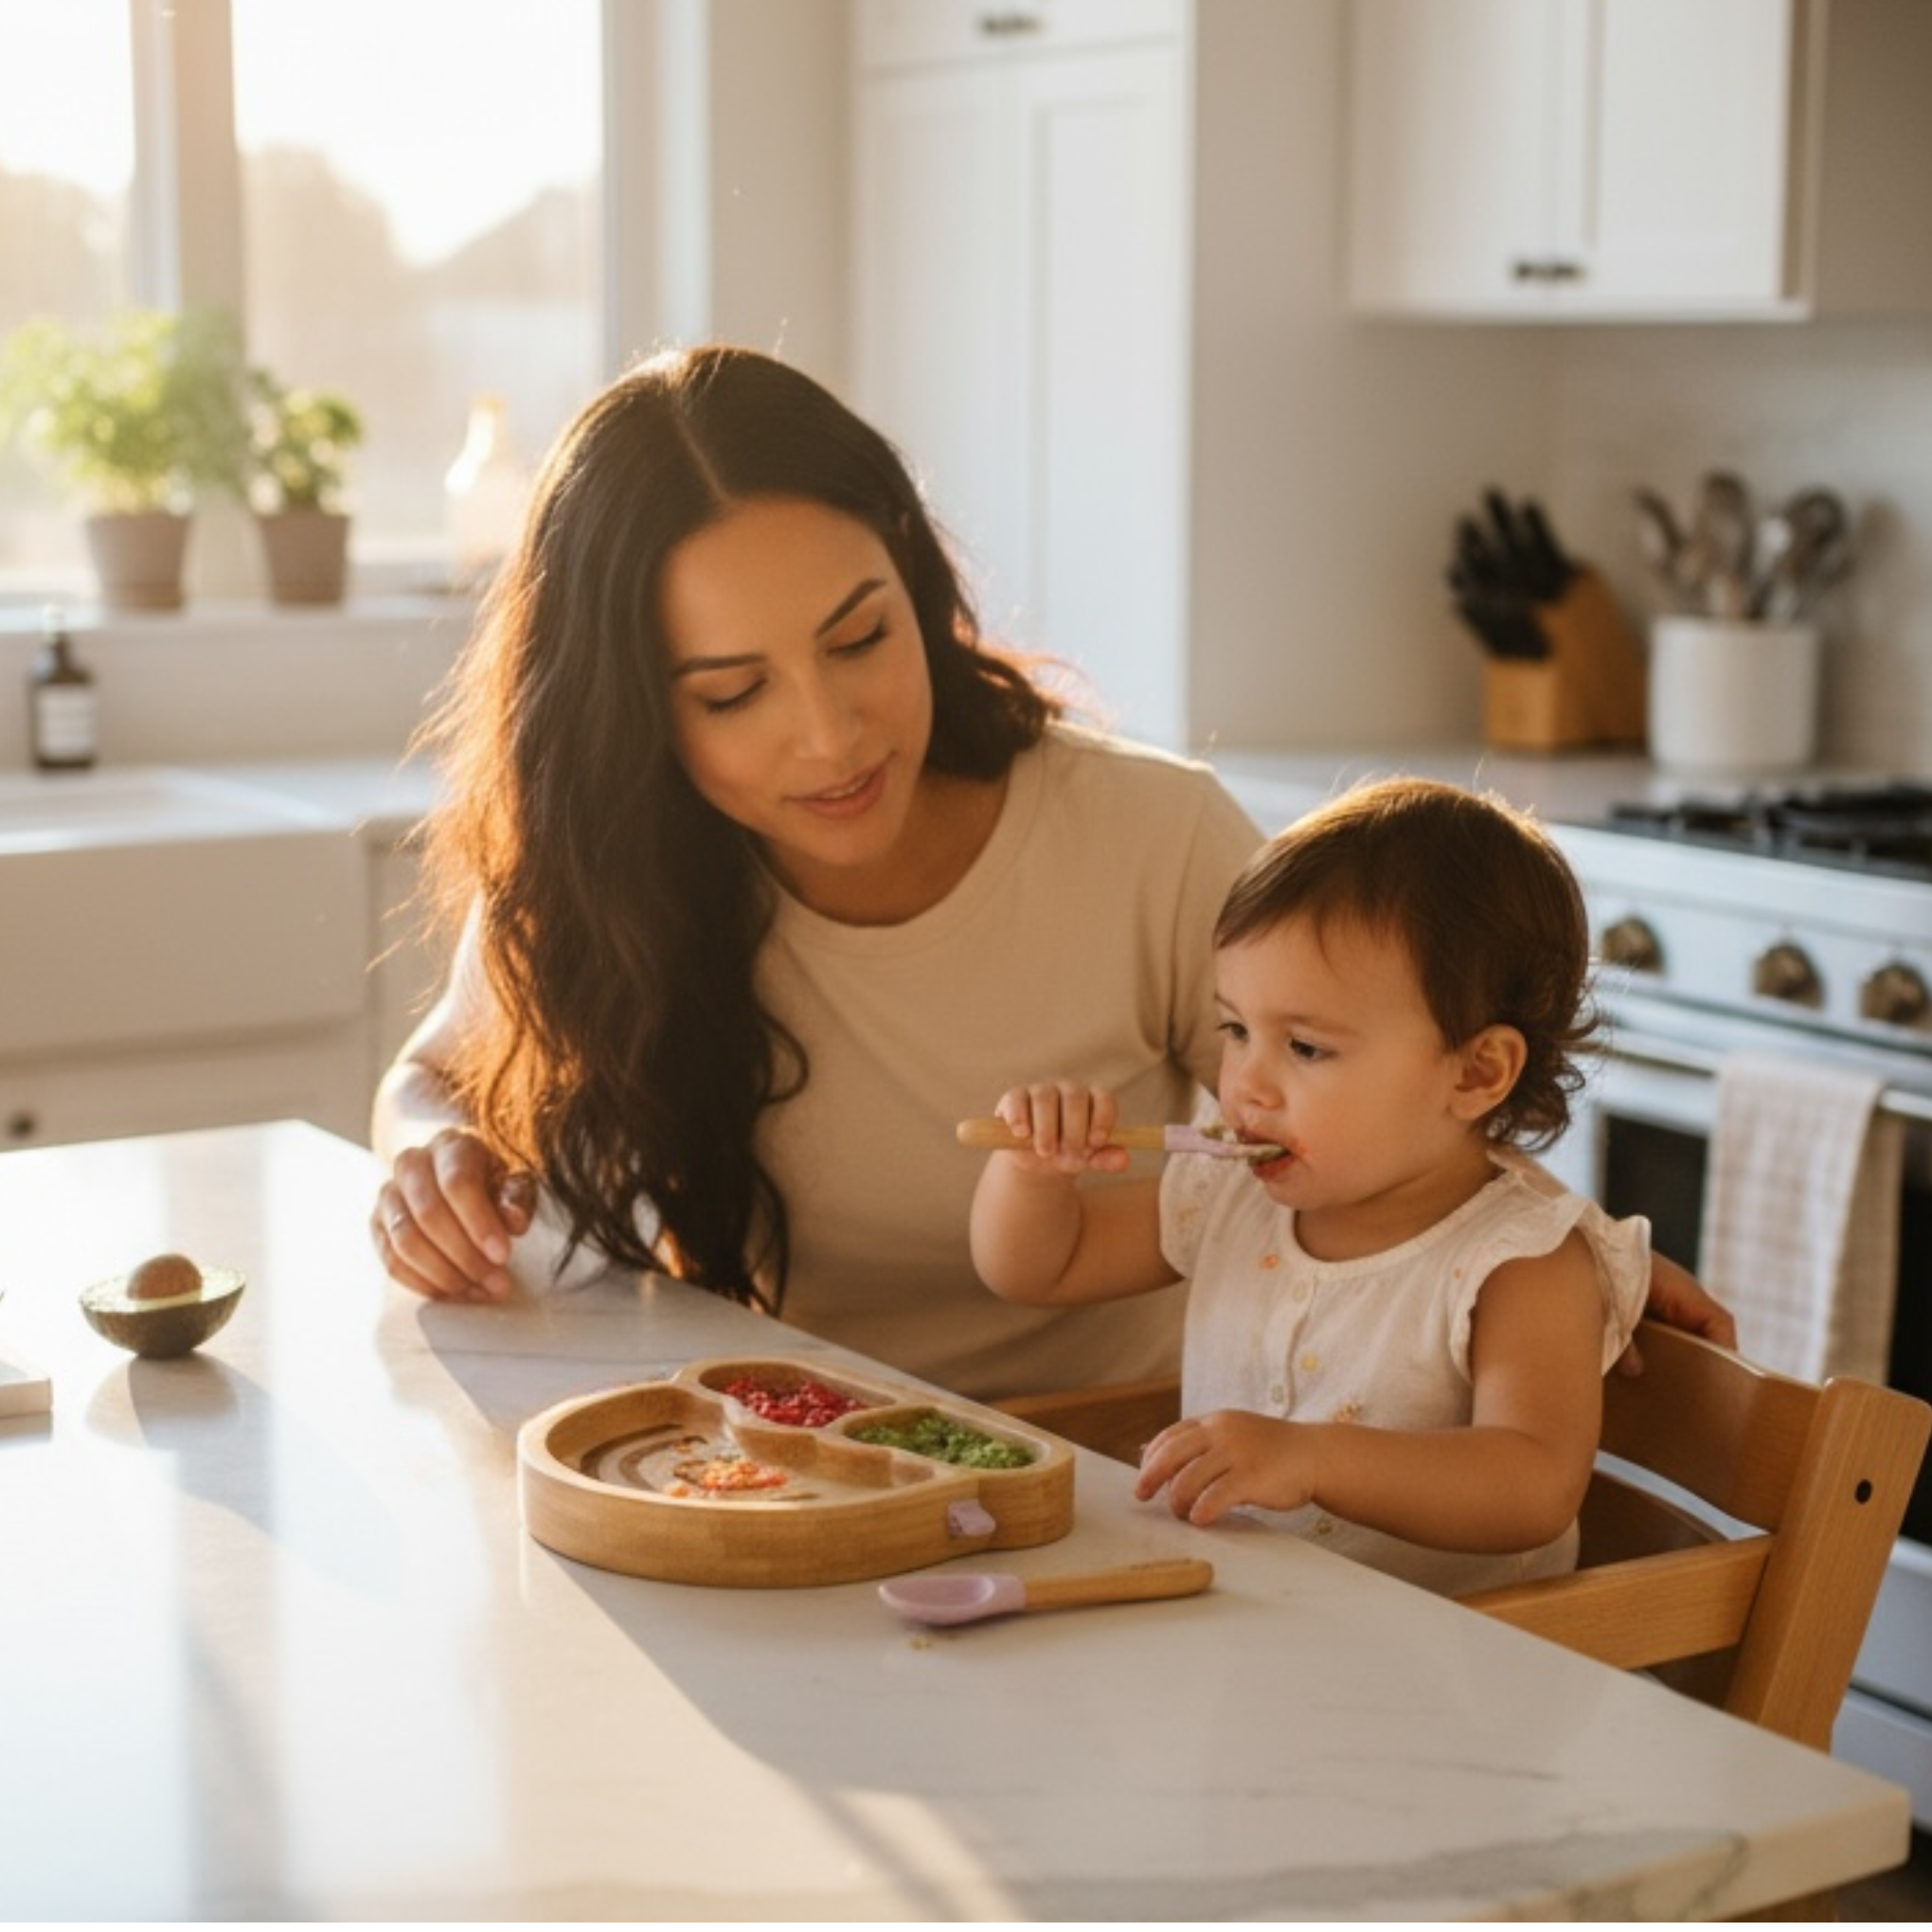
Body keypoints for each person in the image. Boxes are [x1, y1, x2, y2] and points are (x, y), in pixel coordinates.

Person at [370, 342, 1732, 1404]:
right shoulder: (616, 873)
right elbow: (438, 1076)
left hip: (1142, 1474)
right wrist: (435, 1157)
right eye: (734, 693)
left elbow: (1401, 1092)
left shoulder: (1145, 839)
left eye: (862, 637)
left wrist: (1553, 1245)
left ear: (919, 588)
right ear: (632, 719)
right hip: (802, 1464)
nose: (833, 734)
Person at [967, 778, 1654, 1594]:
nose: (1245, 1084)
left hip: (1447, 1682)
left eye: (1306, 1048)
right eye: (1236, 1030)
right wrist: (1032, 1173)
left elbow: (1531, 1485)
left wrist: (1309, 1456)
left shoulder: (1521, 1261)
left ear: (1476, 1071)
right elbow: (1040, 1267)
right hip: (1243, 1634)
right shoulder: (1231, 1197)